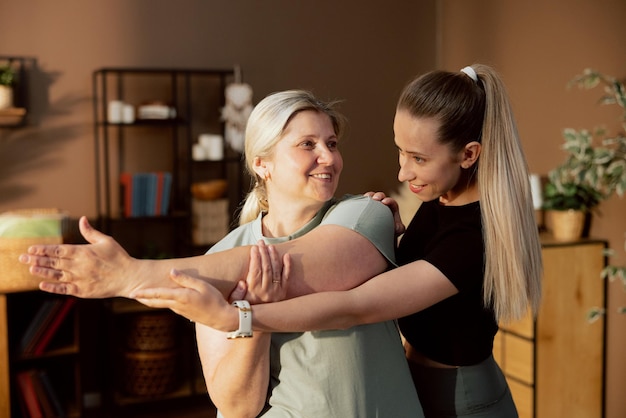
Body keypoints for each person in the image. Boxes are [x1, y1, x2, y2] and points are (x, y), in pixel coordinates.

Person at [132, 64, 544, 418]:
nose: (402, 173)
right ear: (262, 164)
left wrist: (241, 317)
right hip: (421, 387)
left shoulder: (471, 235)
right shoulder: (440, 200)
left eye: (418, 158)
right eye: (400, 151)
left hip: (463, 401)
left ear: (469, 155)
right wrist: (397, 238)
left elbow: (356, 306)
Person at [20, 90, 423, 417]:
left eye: (331, 143)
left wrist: (133, 275)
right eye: (308, 144)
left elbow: (293, 264)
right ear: (262, 163)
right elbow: (236, 407)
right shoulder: (222, 257)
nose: (329, 157)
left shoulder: (366, 214)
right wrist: (256, 320)